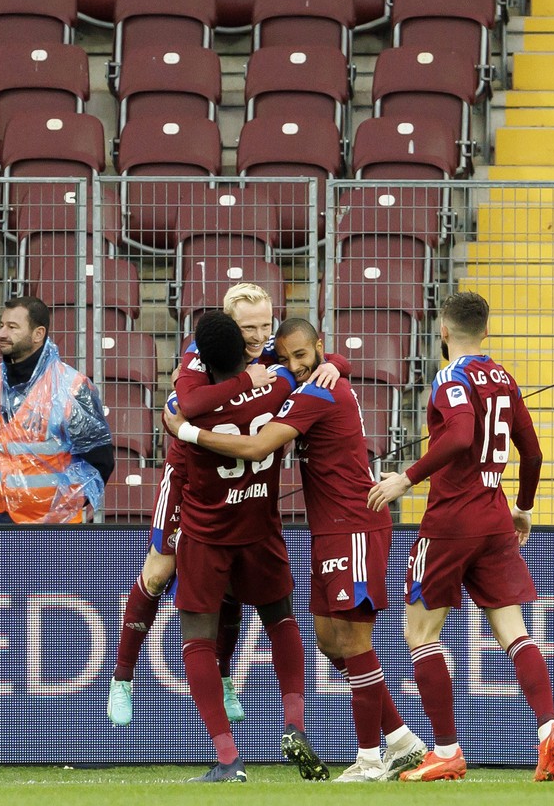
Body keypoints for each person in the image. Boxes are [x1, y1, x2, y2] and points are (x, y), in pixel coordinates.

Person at [166, 317, 427, 783]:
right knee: (329, 642)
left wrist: (185, 432)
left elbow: (257, 443)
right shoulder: (299, 382)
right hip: (325, 531)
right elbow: (301, 373)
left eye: (302, 357)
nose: (293, 366)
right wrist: (334, 364)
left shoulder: (315, 391)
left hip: (354, 525)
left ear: (319, 347)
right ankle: (403, 740)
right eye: (285, 358)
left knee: (353, 642)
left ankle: (370, 759)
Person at [108, 283, 346, 785]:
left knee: (216, 605)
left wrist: (332, 362)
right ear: (228, 328)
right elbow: (190, 402)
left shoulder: (272, 364)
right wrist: (288, 376)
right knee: (158, 571)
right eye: (249, 329)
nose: (261, 336)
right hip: (192, 482)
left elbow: (185, 415)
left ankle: (223, 711)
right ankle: (123, 678)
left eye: (266, 325)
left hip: (223, 503)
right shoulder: (210, 362)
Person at [364, 291, 554, 782]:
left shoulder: (450, 377)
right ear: (485, 330)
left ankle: (447, 750)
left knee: (420, 634)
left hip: (452, 521)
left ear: (443, 330)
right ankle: (547, 729)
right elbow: (533, 453)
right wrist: (523, 508)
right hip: (496, 516)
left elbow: (457, 436)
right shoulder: (503, 377)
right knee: (514, 632)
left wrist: (404, 478)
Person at [171, 311, 315, 783]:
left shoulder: (191, 405)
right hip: (260, 526)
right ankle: (294, 723)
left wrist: (184, 426)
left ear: (201, 361)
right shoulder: (276, 387)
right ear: (244, 350)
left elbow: (184, 409)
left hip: (206, 533)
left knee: (198, 641)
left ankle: (228, 759)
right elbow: (308, 369)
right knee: (281, 620)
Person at [0, 296, 114, 524]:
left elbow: (99, 463)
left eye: (12, 327)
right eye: (1, 325)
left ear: (38, 334)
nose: (2, 334)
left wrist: (61, 512)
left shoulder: (71, 388)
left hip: (51, 527)